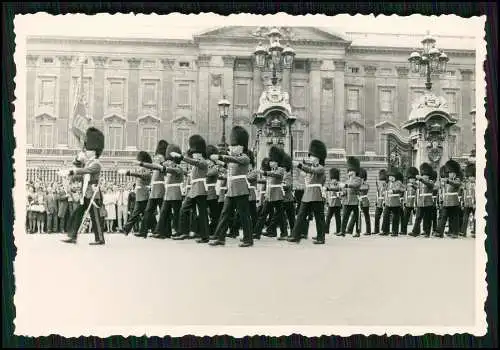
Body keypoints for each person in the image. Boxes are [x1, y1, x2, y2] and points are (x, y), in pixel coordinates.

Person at [209, 126, 254, 247]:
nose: (232, 148)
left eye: (235, 146)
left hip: (241, 190)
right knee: (225, 214)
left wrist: (221, 157)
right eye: (232, 146)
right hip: (231, 190)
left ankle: (248, 239)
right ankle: (220, 237)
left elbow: (233, 159)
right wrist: (218, 162)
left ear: (242, 147)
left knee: (244, 215)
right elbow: (228, 164)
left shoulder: (245, 158)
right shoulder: (234, 159)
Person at [62, 127, 106, 245]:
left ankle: (100, 238)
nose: (86, 150)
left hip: (93, 193)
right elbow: (77, 165)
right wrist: (78, 158)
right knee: (77, 213)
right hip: (86, 192)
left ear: (94, 151)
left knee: (95, 217)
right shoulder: (88, 161)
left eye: (89, 149)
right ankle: (72, 236)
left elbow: (85, 170)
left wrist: (73, 171)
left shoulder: (96, 164)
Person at [170, 135, 210, 243]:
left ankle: (205, 236)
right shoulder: (195, 164)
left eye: (195, 153)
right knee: (184, 209)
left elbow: (195, 162)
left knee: (202, 213)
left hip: (201, 189)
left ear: (200, 153)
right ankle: (183, 232)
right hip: (193, 190)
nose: (193, 155)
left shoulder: (203, 162)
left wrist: (181, 157)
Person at [288, 139, 327, 244]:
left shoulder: (321, 168)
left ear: (318, 158)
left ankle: (321, 237)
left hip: (316, 195)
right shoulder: (312, 167)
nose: (311, 158)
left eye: (312, 156)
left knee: (319, 217)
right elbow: (308, 173)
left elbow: (312, 171)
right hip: (308, 194)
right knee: (301, 215)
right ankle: (295, 235)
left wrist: (300, 165)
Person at [253, 146, 288, 240]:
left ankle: (284, 233)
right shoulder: (271, 171)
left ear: (277, 162)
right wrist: (256, 179)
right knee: (263, 215)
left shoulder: (280, 169)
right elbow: (267, 181)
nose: (271, 163)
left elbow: (276, 175)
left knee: (280, 216)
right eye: (271, 161)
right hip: (269, 195)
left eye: (273, 161)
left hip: (277, 195)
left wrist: (264, 172)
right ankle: (256, 233)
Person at [136, 140, 168, 238]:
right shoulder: (157, 163)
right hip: (154, 189)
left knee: (163, 212)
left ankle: (163, 232)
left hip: (160, 189)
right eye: (156, 157)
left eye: (158, 157)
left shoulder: (164, 164)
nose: (156, 158)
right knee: (148, 211)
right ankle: (143, 231)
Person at [118, 151, 152, 236]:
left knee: (140, 214)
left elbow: (142, 175)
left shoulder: (147, 170)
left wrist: (128, 172)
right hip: (140, 195)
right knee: (140, 214)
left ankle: (128, 229)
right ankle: (138, 231)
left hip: (144, 195)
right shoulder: (141, 169)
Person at [434, 159, 463, 239]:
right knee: (443, 216)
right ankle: (439, 232)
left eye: (452, 173)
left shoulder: (457, 180)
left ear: (455, 174)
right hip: (446, 201)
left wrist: (448, 181)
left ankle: (455, 232)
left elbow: (456, 184)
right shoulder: (445, 181)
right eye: (450, 173)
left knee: (454, 218)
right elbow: (441, 190)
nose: (451, 174)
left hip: (454, 201)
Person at [410, 162, 436, 238]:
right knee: (418, 217)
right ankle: (415, 231)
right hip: (421, 202)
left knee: (427, 218)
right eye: (423, 175)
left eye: (425, 175)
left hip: (428, 202)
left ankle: (427, 232)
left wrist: (421, 179)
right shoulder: (420, 182)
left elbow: (429, 185)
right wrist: (413, 185)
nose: (424, 176)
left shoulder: (430, 181)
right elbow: (418, 189)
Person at [338, 157, 362, 237]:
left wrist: (346, 185)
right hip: (347, 201)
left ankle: (357, 232)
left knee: (356, 218)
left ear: (354, 171)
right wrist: (341, 193)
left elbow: (355, 185)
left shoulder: (358, 179)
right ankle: (342, 231)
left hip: (355, 201)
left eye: (350, 170)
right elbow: (345, 191)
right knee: (344, 217)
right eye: (348, 170)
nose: (348, 172)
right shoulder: (347, 180)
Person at [381, 167, 404, 237]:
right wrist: (383, 192)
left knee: (395, 218)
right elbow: (384, 191)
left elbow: (399, 189)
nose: (391, 178)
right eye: (390, 176)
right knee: (385, 216)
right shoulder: (388, 183)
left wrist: (393, 191)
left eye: (392, 176)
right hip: (388, 202)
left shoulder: (398, 182)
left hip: (395, 202)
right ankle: (385, 231)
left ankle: (395, 231)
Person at [401, 167, 419, 235]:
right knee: (405, 217)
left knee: (417, 218)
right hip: (408, 203)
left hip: (415, 203)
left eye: (413, 179)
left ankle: (417, 231)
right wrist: (405, 202)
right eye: (410, 179)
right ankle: (403, 230)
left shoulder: (417, 185)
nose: (411, 180)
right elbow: (405, 194)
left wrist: (416, 204)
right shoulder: (407, 186)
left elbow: (417, 192)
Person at [324, 167, 342, 235]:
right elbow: (328, 194)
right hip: (331, 202)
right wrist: (327, 201)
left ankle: (338, 230)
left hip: (337, 202)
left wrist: (329, 189)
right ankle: (326, 230)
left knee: (338, 218)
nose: (333, 180)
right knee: (328, 217)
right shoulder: (329, 183)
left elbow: (336, 189)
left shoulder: (339, 184)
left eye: (334, 178)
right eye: (332, 178)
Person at [461, 163, 476, 237]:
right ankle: (463, 232)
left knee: (475, 217)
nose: (470, 178)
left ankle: (475, 231)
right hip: (467, 202)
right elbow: (464, 193)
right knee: (465, 217)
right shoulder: (467, 184)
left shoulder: (477, 183)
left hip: (474, 203)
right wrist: (463, 202)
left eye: (472, 176)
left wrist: (475, 203)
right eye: (469, 176)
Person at [358, 168, 371, 236]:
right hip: (359, 201)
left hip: (365, 201)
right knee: (357, 216)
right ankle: (358, 229)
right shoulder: (358, 184)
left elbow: (364, 189)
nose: (361, 180)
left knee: (366, 216)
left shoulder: (366, 184)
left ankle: (368, 231)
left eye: (362, 178)